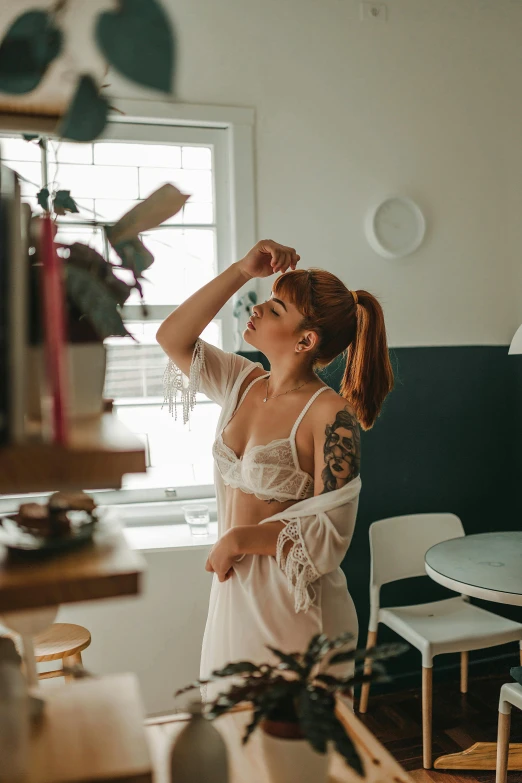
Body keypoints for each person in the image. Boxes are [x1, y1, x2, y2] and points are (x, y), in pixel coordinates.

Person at [157, 239, 393, 696]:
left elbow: (331, 531)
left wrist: (239, 538)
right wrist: (242, 271)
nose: (259, 309)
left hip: (295, 603)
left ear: (306, 340)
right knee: (234, 739)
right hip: (233, 594)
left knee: (290, 751)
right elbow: (172, 337)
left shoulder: (330, 415)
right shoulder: (240, 382)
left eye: (277, 308)